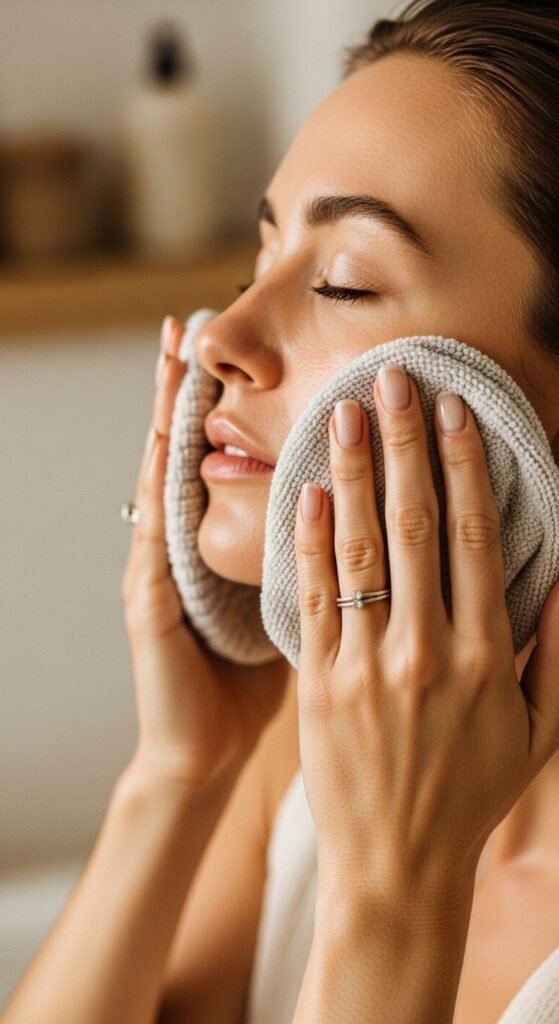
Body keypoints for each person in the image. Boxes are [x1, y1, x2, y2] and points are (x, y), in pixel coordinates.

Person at [3, 1, 559, 1022]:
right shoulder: (295, 765)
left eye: (343, 283)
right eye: (256, 266)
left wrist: (392, 897)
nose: (221, 335)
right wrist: (181, 773)